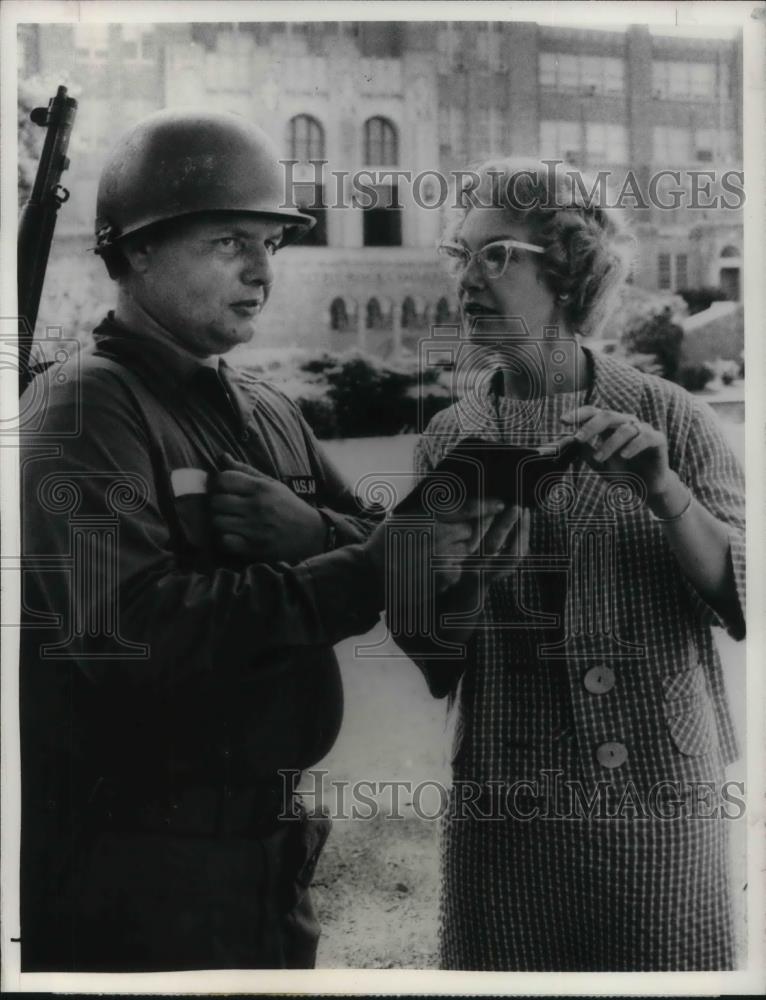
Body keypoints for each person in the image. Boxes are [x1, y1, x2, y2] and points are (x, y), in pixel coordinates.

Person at [17, 109, 513, 972]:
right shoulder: (84, 407)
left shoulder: (267, 410)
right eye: (227, 243)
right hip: (131, 869)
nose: (260, 271)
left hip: (271, 854)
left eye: (271, 245)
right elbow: (132, 633)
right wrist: (372, 560)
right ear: (136, 252)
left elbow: (389, 558)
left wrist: (363, 542)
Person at [394, 160, 746, 971]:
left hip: (660, 790)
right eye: (461, 256)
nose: (466, 280)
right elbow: (430, 655)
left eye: (494, 256)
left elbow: (744, 596)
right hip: (510, 803)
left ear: (565, 266)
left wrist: (665, 494)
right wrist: (468, 581)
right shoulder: (448, 441)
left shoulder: (669, 418)